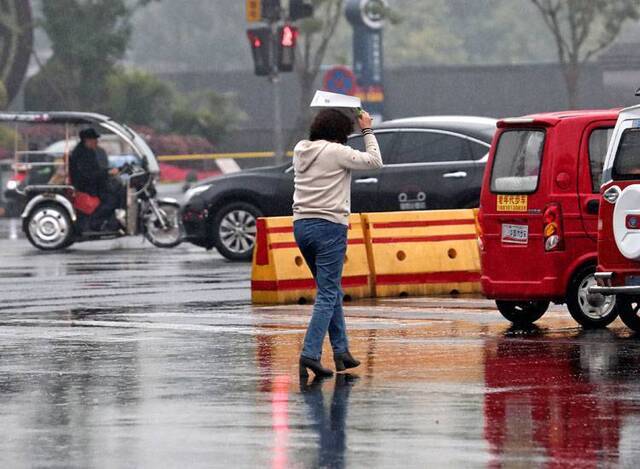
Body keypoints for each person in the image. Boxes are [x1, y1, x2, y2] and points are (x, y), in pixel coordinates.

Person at [293, 108, 383, 378]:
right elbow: (375, 161)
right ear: (338, 134)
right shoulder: (337, 152)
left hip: (301, 226)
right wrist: (367, 129)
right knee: (328, 293)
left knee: (329, 290)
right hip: (329, 227)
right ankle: (310, 354)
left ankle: (341, 351)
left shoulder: (300, 150)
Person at [69, 128, 120, 231]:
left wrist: (108, 171)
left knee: (114, 189)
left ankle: (112, 222)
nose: (97, 142)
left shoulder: (88, 151)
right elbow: (88, 174)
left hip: (92, 182)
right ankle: (96, 222)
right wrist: (107, 172)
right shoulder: (81, 154)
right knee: (112, 199)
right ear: (87, 140)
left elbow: (96, 170)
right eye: (94, 139)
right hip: (86, 185)